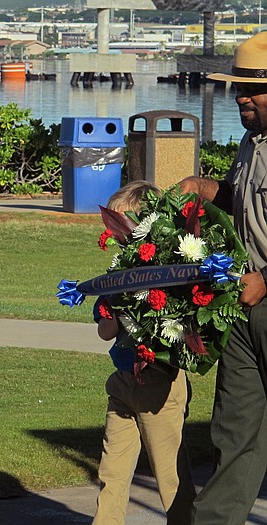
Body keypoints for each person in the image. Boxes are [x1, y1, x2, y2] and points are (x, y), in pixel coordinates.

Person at [180, 32, 267, 525]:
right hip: (242, 304)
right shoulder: (251, 142)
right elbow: (239, 199)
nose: (241, 97)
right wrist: (202, 188)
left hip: (263, 292)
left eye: (253, 89)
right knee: (233, 433)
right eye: (237, 88)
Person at [91, 181, 195, 525]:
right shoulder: (115, 280)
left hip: (159, 388)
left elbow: (177, 335)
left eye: (122, 228)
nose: (117, 236)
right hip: (122, 385)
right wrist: (118, 303)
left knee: (171, 478)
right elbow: (105, 333)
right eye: (112, 229)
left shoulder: (168, 277)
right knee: (112, 472)